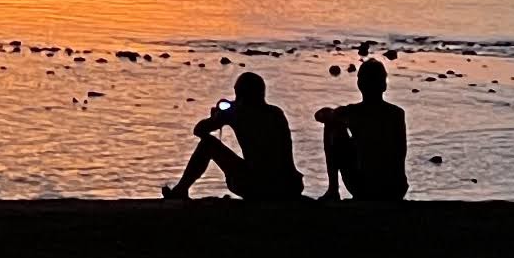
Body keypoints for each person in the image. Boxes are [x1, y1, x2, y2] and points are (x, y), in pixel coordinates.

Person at [163, 70, 302, 201]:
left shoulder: (237, 113)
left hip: (259, 186)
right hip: (290, 186)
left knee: (208, 144)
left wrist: (217, 117)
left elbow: (199, 130)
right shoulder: (276, 113)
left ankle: (181, 189)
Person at [319, 55, 407, 201]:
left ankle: (333, 189)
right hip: (395, 188)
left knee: (332, 126)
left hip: (364, 187)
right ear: (384, 85)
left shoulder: (352, 112)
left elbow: (320, 115)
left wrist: (334, 114)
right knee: (335, 123)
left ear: (360, 84)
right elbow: (400, 155)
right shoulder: (396, 113)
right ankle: (333, 190)